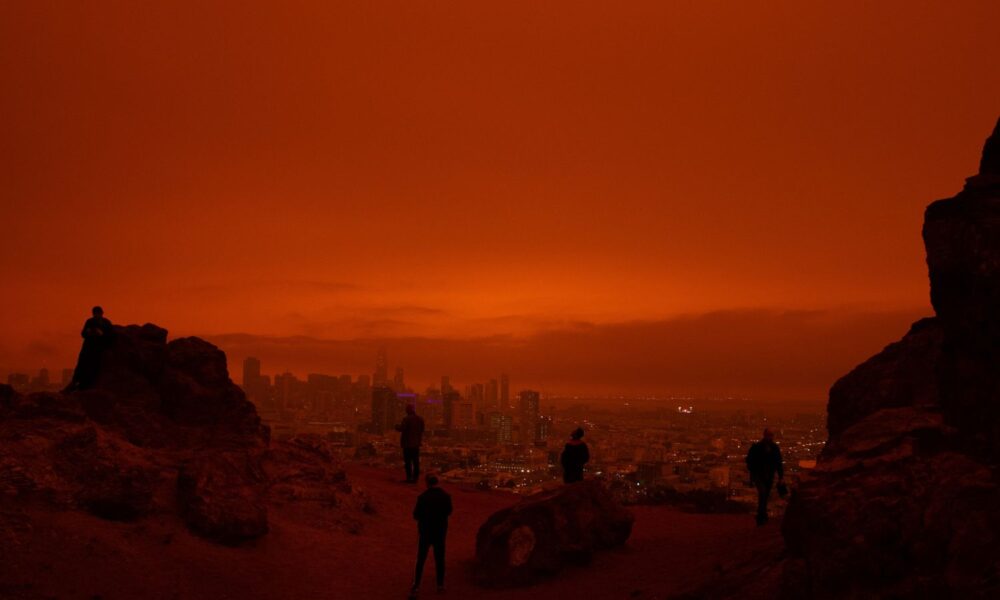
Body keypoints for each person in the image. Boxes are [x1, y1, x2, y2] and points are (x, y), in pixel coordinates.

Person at [411, 473, 452, 597]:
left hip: (425, 532)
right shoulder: (446, 496)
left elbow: (416, 515)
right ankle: (440, 585)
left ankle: (416, 585)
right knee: (440, 559)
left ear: (427, 483)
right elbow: (449, 511)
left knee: (421, 560)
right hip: (440, 532)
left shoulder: (423, 497)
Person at [65, 306, 115, 392]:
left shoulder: (106, 323)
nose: (96, 315)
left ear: (101, 313)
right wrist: (88, 332)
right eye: (95, 313)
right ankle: (77, 383)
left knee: (94, 367)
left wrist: (101, 334)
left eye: (97, 313)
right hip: (88, 348)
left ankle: (87, 384)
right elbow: (83, 333)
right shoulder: (90, 321)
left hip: (98, 349)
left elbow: (111, 336)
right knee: (82, 365)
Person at [745, 428, 784, 526]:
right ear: (764, 435)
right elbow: (750, 461)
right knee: (763, 493)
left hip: (768, 475)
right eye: (768, 435)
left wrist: (781, 477)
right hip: (759, 474)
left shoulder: (774, 448)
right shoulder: (758, 447)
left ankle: (762, 514)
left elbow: (779, 463)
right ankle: (761, 515)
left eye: (771, 435)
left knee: (765, 495)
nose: (770, 437)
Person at [396, 404, 425, 483]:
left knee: (408, 462)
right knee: (416, 462)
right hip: (416, 444)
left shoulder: (407, 419)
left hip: (408, 444)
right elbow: (422, 430)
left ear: (408, 410)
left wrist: (396, 426)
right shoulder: (420, 419)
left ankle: (409, 478)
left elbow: (402, 428)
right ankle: (415, 478)